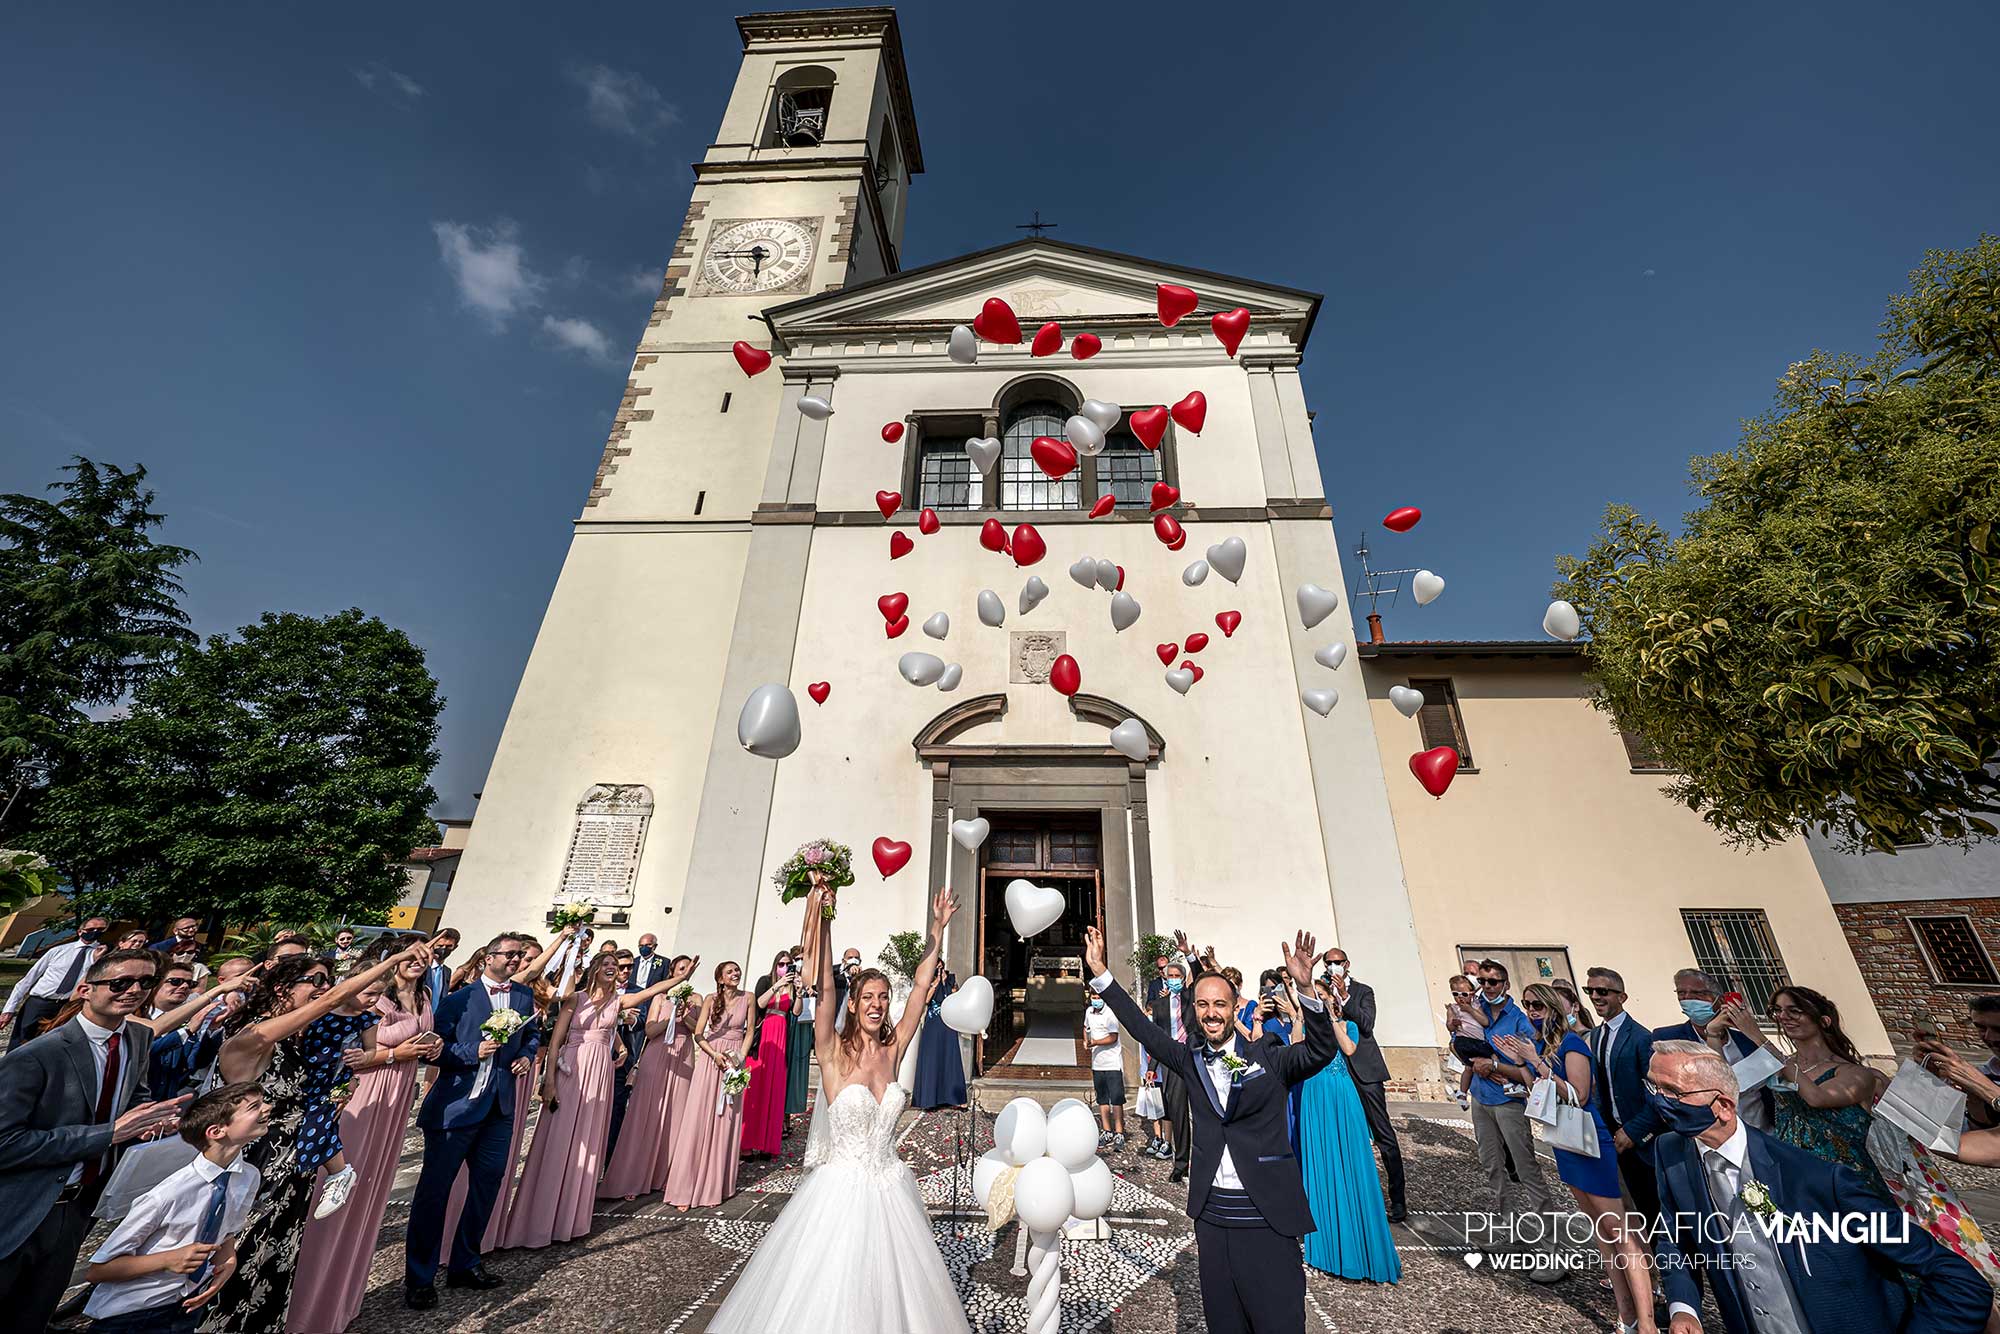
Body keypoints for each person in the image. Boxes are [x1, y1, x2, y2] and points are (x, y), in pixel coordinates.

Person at [704, 881, 970, 1333]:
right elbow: (824, 985)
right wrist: (825, 916)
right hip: (838, 1194)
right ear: (855, 1004)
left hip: (890, 1188)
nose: (877, 1004)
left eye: (883, 998)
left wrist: (937, 930)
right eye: (868, 997)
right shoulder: (831, 1052)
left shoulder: (894, 1048)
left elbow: (922, 988)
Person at [1086, 926, 1335, 1334]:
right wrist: (1100, 971)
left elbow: (1321, 1050)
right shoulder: (1189, 1060)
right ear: (1195, 1010)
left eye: (1220, 1003)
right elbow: (1141, 1028)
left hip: (1266, 1214)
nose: (1211, 1012)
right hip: (1213, 1217)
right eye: (1203, 1004)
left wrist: (1307, 990)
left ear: (1235, 1007)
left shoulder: (1269, 1057)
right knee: (1224, 1323)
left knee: (1279, 1322)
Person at [1647, 1039, 1991, 1334]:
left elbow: (1959, 1281)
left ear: (1722, 1106)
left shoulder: (1821, 1182)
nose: (1658, 1100)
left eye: (1673, 1092)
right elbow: (1676, 1237)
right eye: (1653, 1087)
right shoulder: (1670, 1152)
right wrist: (1683, 1307)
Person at [200, 942, 430, 1333]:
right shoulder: (251, 1036)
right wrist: (391, 963)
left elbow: (343, 1041)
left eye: (327, 981)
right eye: (314, 981)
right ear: (280, 989)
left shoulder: (299, 1041)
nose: (324, 989)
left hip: (295, 1165)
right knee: (233, 1258)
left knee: (276, 1257)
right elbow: (335, 1002)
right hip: (253, 1166)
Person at [0, 948, 190, 1329]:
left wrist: (152, 1119)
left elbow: (132, 1095)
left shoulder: (136, 1037)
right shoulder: (36, 1056)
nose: (134, 990)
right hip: (22, 1207)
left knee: (35, 1313)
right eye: (120, 982)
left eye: (145, 981)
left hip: (79, 1206)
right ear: (86, 989)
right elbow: (5, 1144)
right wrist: (109, 1134)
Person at [287, 939, 441, 1334]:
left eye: (423, 960)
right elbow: (354, 1054)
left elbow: (417, 1042)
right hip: (366, 1092)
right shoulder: (369, 1000)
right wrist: (395, 1055)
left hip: (398, 1095)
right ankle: (304, 1296)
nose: (418, 964)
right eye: (410, 957)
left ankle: (342, 1290)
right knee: (337, 1180)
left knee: (370, 1186)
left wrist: (432, 1046)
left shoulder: (423, 995)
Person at [1496, 985, 1648, 1330]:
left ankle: (1648, 1320)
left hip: (1587, 1136)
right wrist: (1521, 1064)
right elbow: (1538, 1087)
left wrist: (1534, 1062)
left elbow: (1578, 1094)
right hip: (1564, 1138)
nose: (1532, 1010)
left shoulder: (1572, 1044)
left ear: (1552, 1008)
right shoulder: (1540, 1046)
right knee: (1601, 1235)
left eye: (1538, 1005)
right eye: (1527, 1005)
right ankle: (1627, 1317)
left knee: (1619, 1231)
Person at [402, 933, 540, 1310]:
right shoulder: (458, 999)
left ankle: (466, 1262)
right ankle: (419, 1277)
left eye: (520, 955)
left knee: (487, 1188)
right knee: (434, 1194)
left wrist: (526, 1057)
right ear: (488, 957)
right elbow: (433, 1050)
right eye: (510, 954)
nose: (516, 960)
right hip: (455, 1109)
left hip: (499, 1108)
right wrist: (471, 1051)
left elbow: (531, 1035)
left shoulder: (524, 997)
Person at [82, 1083, 269, 1334]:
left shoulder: (248, 1177)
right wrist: (168, 1260)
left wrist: (229, 1257)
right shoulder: (167, 1194)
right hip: (132, 1314)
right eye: (254, 1107)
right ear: (216, 1131)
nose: (267, 1108)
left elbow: (228, 1231)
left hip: (186, 1307)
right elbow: (98, 1270)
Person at [1296, 966, 1399, 1285]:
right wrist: (1303, 1015)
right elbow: (1295, 1045)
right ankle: (1326, 1244)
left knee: (1354, 1165)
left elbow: (1350, 1049)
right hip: (1314, 1095)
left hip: (1342, 1095)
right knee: (1321, 1167)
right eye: (1315, 997)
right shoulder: (1305, 1023)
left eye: (1323, 995)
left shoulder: (1348, 1024)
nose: (1319, 1000)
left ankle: (1362, 1246)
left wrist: (1332, 1014)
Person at [1466, 960, 1555, 1244]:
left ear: (1506, 984)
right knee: (1491, 1165)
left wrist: (1493, 1065)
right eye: (1482, 981)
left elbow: (1530, 1069)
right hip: (1481, 1097)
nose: (1487, 987)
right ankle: (1508, 1228)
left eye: (1493, 981)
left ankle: (1549, 1244)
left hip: (1509, 1100)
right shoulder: (1475, 1011)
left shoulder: (1519, 1019)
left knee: (1526, 1168)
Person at [598, 957, 700, 1201]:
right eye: (681, 969)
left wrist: (685, 1015)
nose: (685, 972)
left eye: (688, 969)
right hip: (657, 1054)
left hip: (683, 1054)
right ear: (673, 972)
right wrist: (671, 1014)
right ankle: (634, 1176)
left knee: (677, 1114)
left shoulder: (697, 999)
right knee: (645, 1114)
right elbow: (650, 1031)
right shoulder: (659, 998)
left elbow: (699, 1031)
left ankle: (667, 1176)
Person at [1319, 946, 1407, 1224]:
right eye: (1329, 962)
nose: (1333, 966)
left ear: (1347, 964)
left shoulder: (1362, 991)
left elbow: (1367, 1024)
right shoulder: (1319, 989)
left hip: (1364, 1069)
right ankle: (1349, 1197)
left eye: (1338, 962)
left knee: (1383, 1135)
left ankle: (1398, 1199)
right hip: (1333, 1071)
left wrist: (1344, 994)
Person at [1581, 967, 1665, 1240]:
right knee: (1633, 1211)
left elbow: (1658, 1094)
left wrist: (1634, 1131)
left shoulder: (1641, 1037)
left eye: (1602, 991)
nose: (1595, 996)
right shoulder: (1596, 1035)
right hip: (1614, 1136)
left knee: (1655, 1213)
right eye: (1589, 991)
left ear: (1622, 997)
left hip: (1642, 1140)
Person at [660, 960, 751, 1211]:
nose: (736, 974)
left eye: (737, 970)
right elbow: (698, 1034)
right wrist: (714, 1055)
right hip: (713, 1060)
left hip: (734, 1060)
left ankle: (716, 1184)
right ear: (720, 978)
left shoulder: (749, 997)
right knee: (700, 1117)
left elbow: (750, 1030)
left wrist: (740, 1057)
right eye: (730, 971)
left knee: (727, 1119)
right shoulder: (711, 999)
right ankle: (687, 1186)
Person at [1655, 968, 1772, 1127]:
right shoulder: (1668, 1039)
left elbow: (1776, 1073)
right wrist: (1712, 1034)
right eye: (1682, 993)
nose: (1688, 999)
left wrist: (1752, 1031)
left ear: (1720, 1000)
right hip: (1708, 1136)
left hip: (1760, 1131)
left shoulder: (1745, 1038)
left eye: (1698, 993)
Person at [2, 914, 109, 1052]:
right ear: (80, 931)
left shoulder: (101, 956)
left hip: (68, 1005)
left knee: (54, 1045)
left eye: (100, 929)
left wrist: (96, 961)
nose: (95, 932)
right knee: (21, 1040)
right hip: (40, 1002)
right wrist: (9, 1009)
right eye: (91, 929)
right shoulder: (58, 951)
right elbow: (28, 980)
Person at [739, 951, 797, 1156]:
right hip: (765, 1035)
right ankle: (746, 1144)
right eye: (781, 964)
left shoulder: (792, 986)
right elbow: (760, 1004)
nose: (785, 967)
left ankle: (766, 1143)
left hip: (782, 1035)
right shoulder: (766, 981)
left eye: (789, 964)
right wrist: (777, 986)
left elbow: (796, 1011)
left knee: (774, 1090)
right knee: (756, 1088)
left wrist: (800, 990)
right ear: (775, 965)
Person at [1152, 957, 1197, 1183]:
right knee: (1177, 1113)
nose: (1173, 980)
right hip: (1172, 1060)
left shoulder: (1190, 999)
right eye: (1170, 977)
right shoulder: (1159, 1005)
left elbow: (1198, 978)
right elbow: (1157, 1038)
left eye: (1177, 976)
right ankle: (1181, 1164)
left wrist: (1190, 956)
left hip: (1194, 1056)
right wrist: (1153, 1066)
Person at [913, 968, 968, 1111]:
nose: (939, 971)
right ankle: (930, 1099)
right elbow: (925, 1000)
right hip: (933, 1026)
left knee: (950, 1059)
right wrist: (936, 983)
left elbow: (957, 999)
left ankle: (954, 1098)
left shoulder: (950, 981)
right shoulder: (929, 982)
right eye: (936, 968)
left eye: (941, 968)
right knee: (932, 1060)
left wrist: (947, 983)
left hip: (948, 1026)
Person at [1084, 988, 1125, 1150]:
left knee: (1116, 1099)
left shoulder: (1110, 1013)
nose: (1096, 1000)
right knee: (1102, 1098)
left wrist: (1096, 1042)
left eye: (1098, 997)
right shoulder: (1089, 1012)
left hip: (1112, 1063)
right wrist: (1085, 1041)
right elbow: (1086, 1028)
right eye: (1093, 997)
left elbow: (1113, 1037)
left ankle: (1119, 1132)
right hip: (1097, 1063)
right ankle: (1106, 1130)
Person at [785, 948, 814, 1119]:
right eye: (798, 958)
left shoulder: (813, 979)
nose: (801, 962)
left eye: (804, 959)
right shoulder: (787, 978)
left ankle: (789, 1113)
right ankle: (781, 1117)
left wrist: (811, 992)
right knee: (785, 1070)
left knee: (797, 1072)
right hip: (789, 1024)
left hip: (804, 1026)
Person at [422, 930, 460, 1009]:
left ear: (455, 947)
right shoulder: (422, 967)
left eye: (449, 946)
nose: (443, 949)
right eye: (440, 946)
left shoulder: (447, 971)